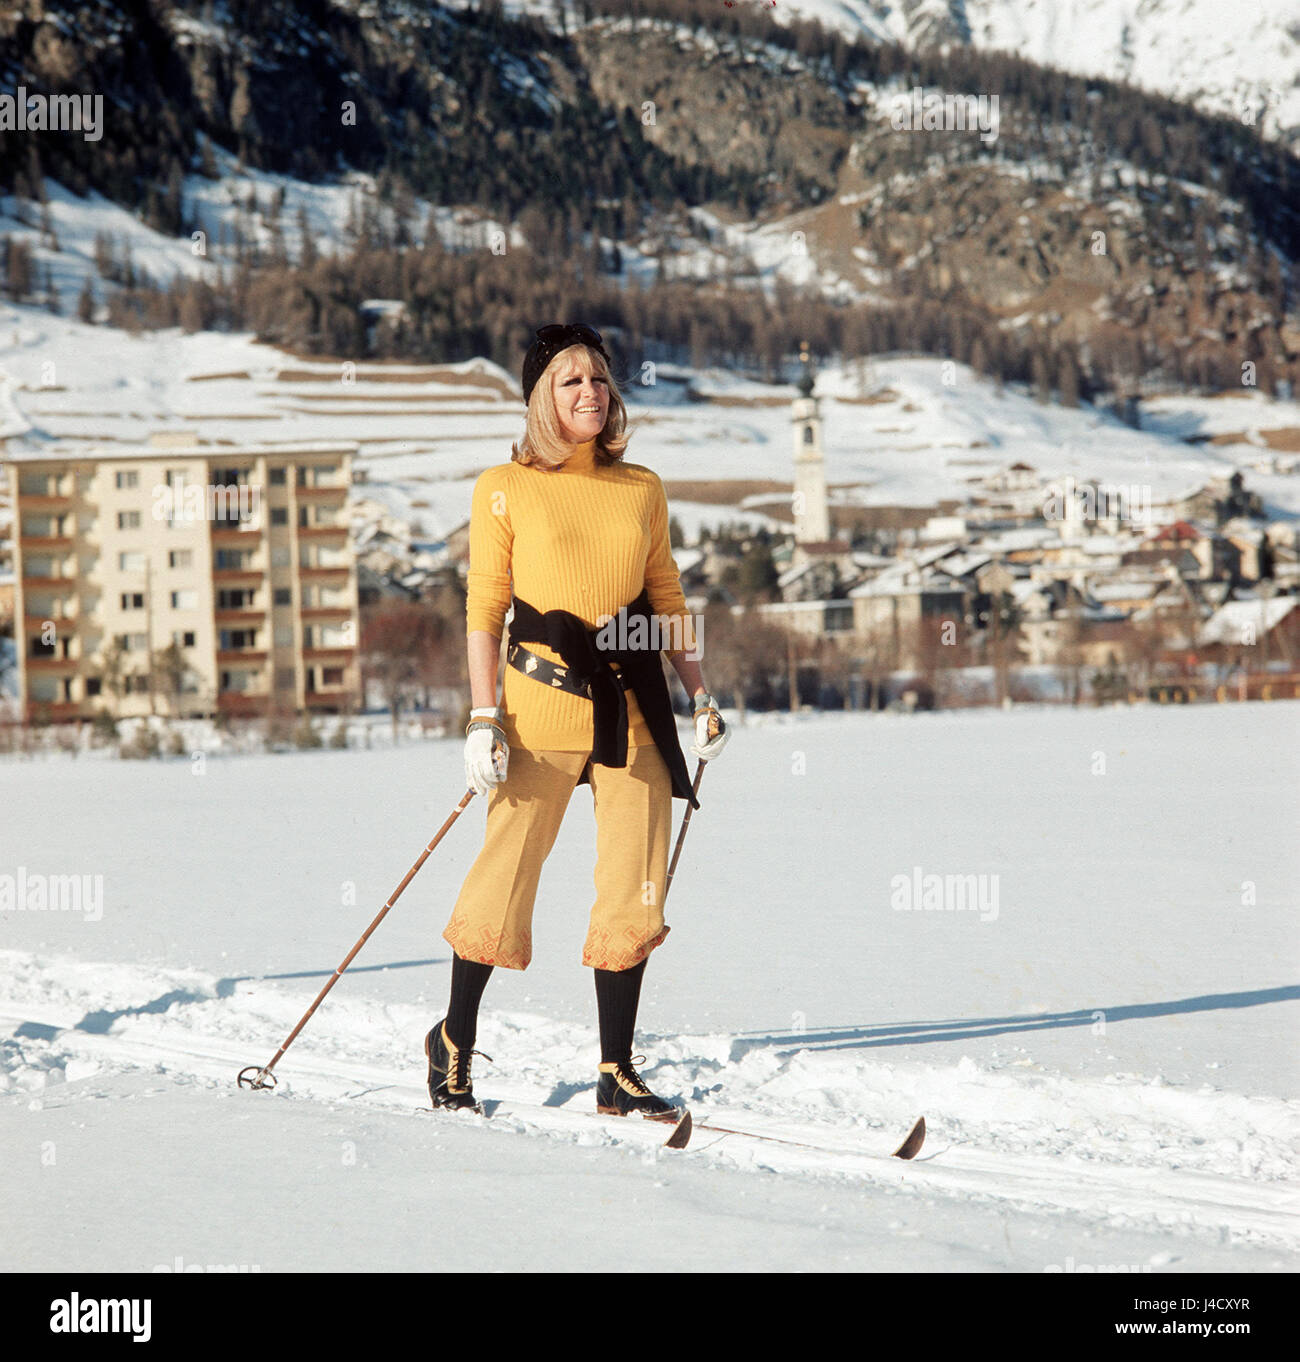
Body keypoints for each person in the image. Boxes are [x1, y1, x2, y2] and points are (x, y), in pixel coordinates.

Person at [424, 322, 729, 1122]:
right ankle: (453, 1042)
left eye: (598, 379)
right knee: (505, 877)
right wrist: (482, 715)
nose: (590, 392)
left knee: (635, 885)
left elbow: (666, 599)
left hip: (633, 703)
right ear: (540, 399)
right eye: (570, 382)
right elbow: (484, 608)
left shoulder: (641, 487)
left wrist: (700, 694)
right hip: (536, 704)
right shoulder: (505, 485)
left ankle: (615, 1069)